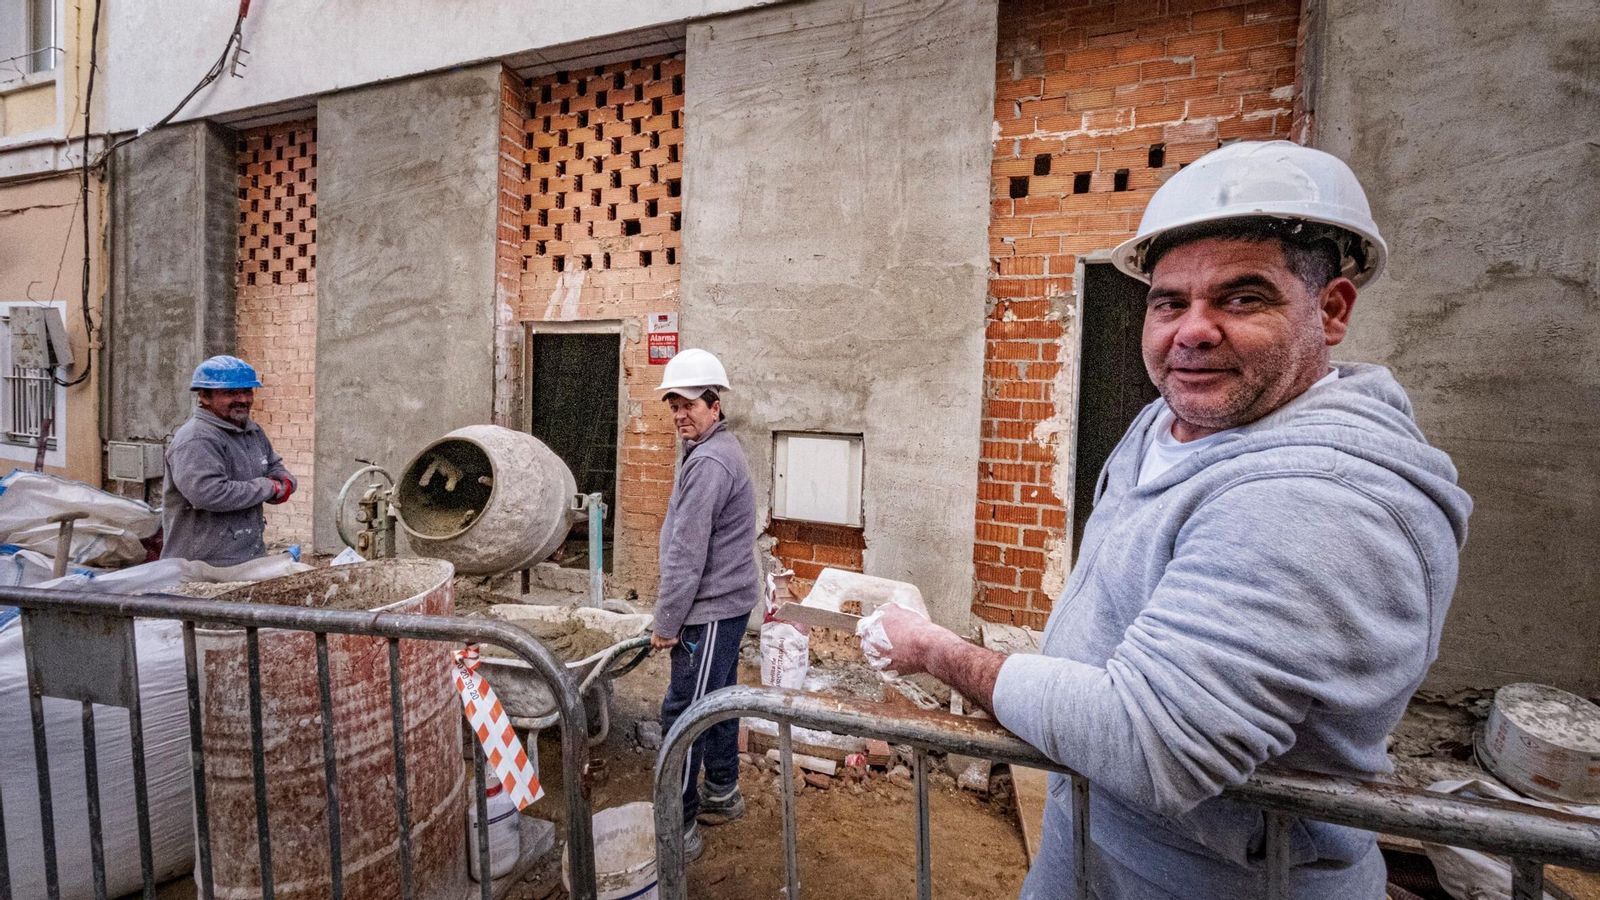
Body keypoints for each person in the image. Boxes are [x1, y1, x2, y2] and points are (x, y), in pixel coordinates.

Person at [869, 141, 1472, 898]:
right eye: (1169, 302)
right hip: (1092, 825)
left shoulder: (1319, 498)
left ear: (1333, 309)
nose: (1192, 330)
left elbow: (1147, 742)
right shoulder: (1166, 422)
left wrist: (936, 650)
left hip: (1214, 878)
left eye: (1242, 297)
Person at [651, 348, 761, 862]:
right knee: (717, 699)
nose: (680, 414)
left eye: (690, 404)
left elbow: (687, 552)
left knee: (685, 712)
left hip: (710, 608)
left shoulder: (711, 461)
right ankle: (722, 789)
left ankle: (681, 824)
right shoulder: (711, 450)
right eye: (674, 404)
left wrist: (667, 622)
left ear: (715, 405)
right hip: (727, 603)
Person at [161, 355, 296, 566]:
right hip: (202, 567)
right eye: (231, 393)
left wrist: (285, 482)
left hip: (247, 558)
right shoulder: (197, 438)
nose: (242, 399)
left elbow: (275, 466)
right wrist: (269, 487)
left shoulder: (251, 431)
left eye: (247, 391)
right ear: (204, 396)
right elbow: (209, 494)